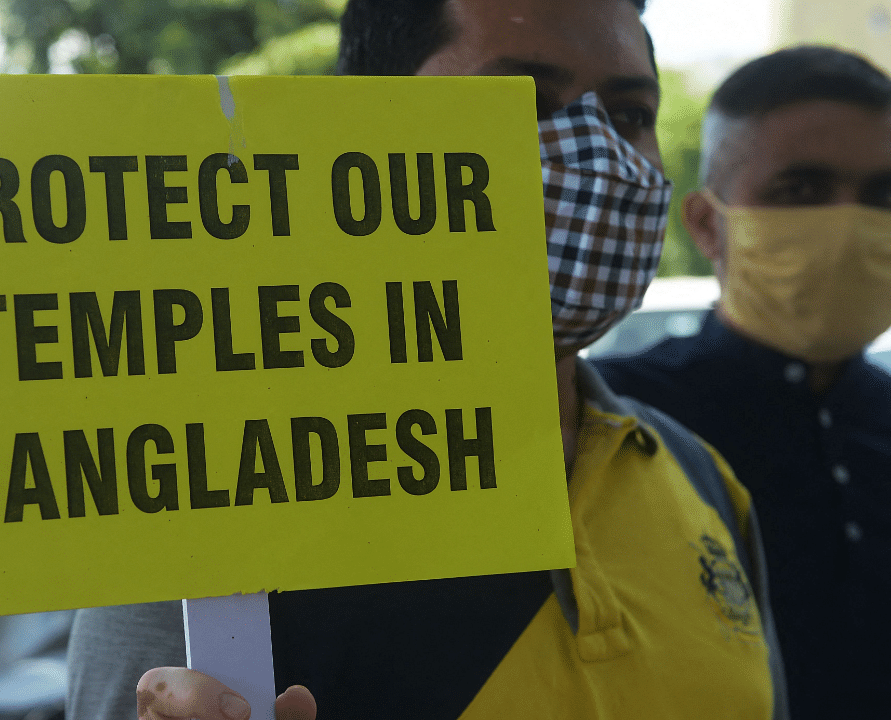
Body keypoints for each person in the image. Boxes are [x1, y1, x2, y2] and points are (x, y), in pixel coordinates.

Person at [71, 1, 789, 718]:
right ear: (363, 132)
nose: (599, 155)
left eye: (630, 113)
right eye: (520, 102)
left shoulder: (699, 479)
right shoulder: (220, 493)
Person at [594, 46, 891, 718]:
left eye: (882, 194)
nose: (850, 225)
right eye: (802, 190)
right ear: (706, 223)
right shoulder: (613, 421)